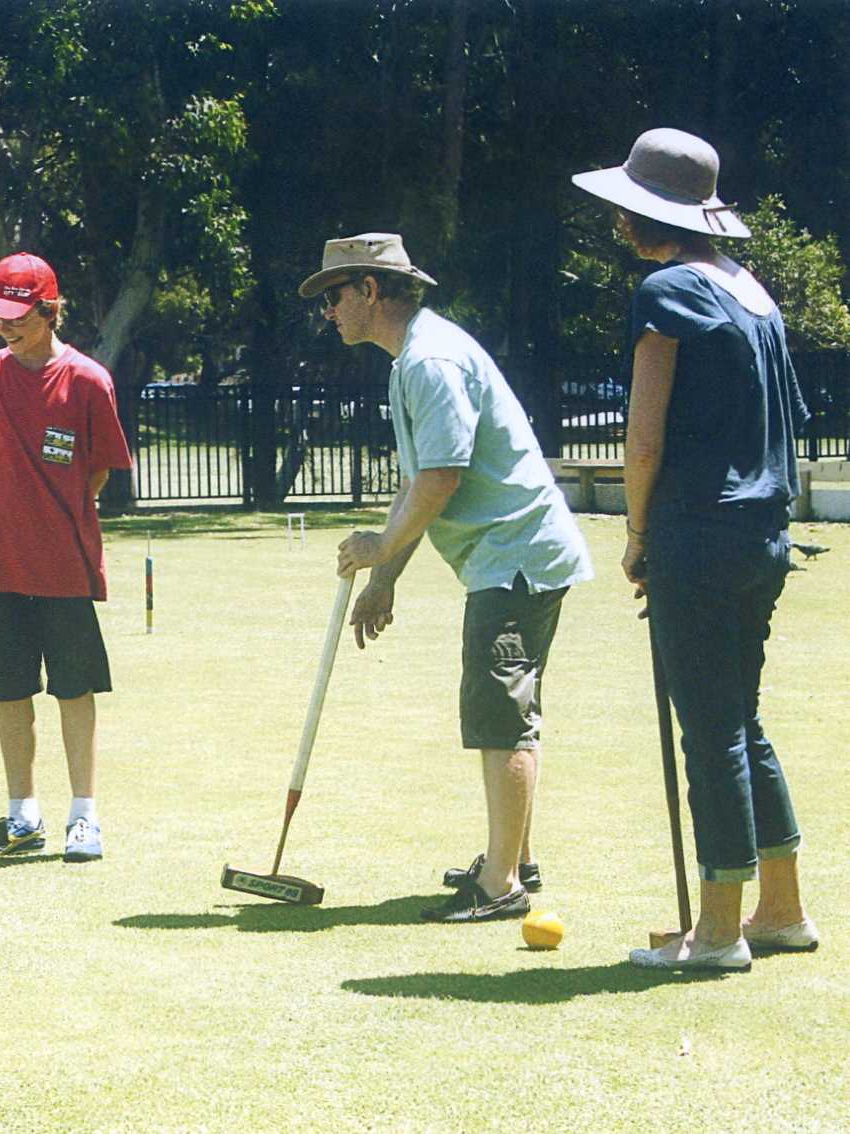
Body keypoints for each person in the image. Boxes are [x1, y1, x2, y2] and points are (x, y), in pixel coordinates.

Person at [573, 129, 818, 971]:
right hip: (763, 534)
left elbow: (644, 439)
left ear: (650, 216)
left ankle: (717, 933)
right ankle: (779, 910)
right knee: (741, 719)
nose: (617, 221)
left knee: (709, 730)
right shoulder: (751, 291)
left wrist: (639, 537)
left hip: (698, 535)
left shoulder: (668, 289)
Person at [311, 233, 593, 922]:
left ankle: (500, 885)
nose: (329, 311)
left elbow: (442, 478)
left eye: (334, 295)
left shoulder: (430, 361)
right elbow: (417, 481)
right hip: (514, 555)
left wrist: (380, 546)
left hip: (516, 558)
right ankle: (513, 856)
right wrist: (387, 576)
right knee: (509, 709)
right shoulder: (413, 359)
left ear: (371, 291)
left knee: (502, 714)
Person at [0, 252, 132, 862]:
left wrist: (56, 517)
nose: (5, 327)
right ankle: (22, 814)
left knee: (74, 688)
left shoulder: (88, 380)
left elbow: (99, 470)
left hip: (64, 566)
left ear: (47, 309)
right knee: (9, 692)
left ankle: (84, 817)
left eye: (17, 316)